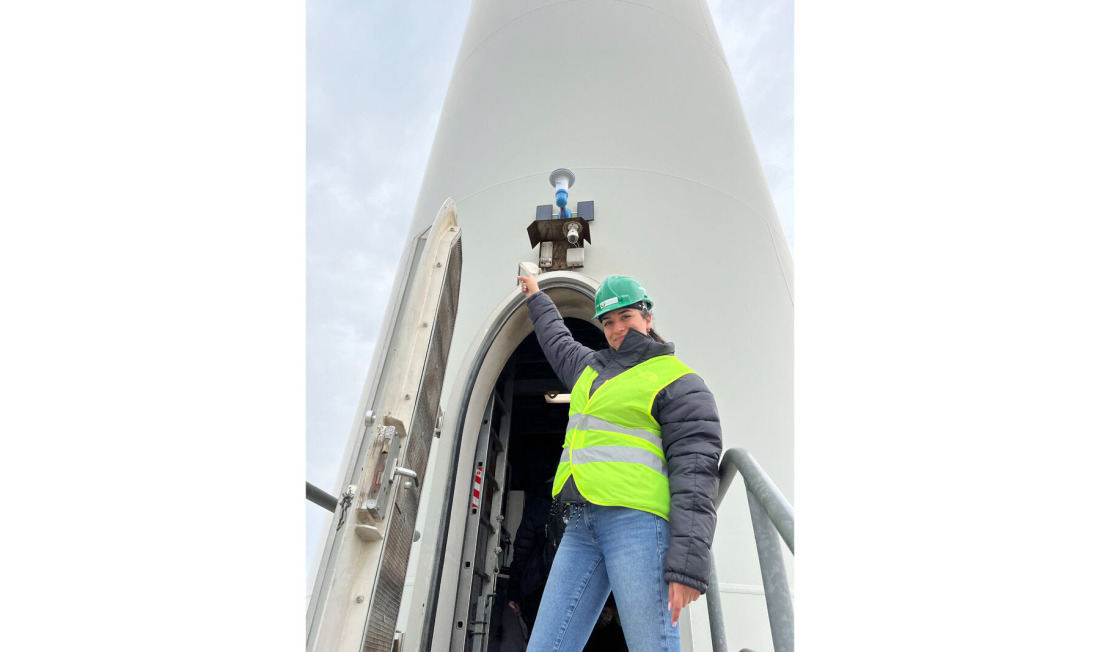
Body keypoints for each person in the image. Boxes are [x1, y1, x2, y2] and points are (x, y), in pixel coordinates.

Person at [516, 274, 723, 652]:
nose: (616, 329)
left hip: (638, 526)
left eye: (625, 316)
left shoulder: (679, 381)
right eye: (607, 322)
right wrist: (536, 296)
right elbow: (557, 339)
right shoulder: (589, 369)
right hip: (580, 526)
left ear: (647, 317)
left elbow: (696, 474)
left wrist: (688, 566)